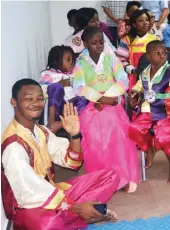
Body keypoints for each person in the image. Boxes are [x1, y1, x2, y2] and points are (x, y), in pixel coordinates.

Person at [1, 79, 119, 229]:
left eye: (40, 99)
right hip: (27, 207)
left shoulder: (40, 131)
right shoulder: (13, 145)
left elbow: (72, 162)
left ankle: (76, 216)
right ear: (14, 102)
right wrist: (75, 207)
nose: (36, 103)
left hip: (53, 194)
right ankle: (81, 215)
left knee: (110, 176)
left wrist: (74, 135)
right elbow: (29, 191)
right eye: (28, 99)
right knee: (48, 224)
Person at [73, 26, 139, 192]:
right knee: (94, 136)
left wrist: (108, 98)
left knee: (116, 131)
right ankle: (101, 180)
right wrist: (99, 98)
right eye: (94, 43)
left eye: (101, 42)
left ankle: (121, 179)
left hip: (113, 101)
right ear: (85, 43)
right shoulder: (80, 62)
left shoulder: (111, 58)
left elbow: (123, 81)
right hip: (91, 103)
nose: (98, 46)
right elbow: (79, 87)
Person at [128, 40, 170, 184]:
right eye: (157, 54)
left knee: (164, 138)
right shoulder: (145, 72)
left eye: (164, 53)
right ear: (148, 56)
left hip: (165, 111)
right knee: (133, 128)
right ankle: (148, 149)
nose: (162, 56)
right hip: (148, 110)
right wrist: (134, 94)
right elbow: (139, 86)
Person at [39, 45, 88, 134]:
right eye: (68, 60)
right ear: (56, 61)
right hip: (56, 108)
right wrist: (61, 83)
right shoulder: (48, 74)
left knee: (84, 99)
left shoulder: (73, 74)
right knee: (56, 87)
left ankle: (64, 123)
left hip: (70, 108)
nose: (72, 63)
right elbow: (41, 91)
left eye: (73, 60)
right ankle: (51, 122)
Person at [117, 10, 159, 89]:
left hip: (152, 77)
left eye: (147, 20)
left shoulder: (155, 39)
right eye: (140, 20)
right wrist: (133, 70)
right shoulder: (126, 40)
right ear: (134, 24)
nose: (145, 22)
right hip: (133, 77)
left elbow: (160, 59)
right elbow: (120, 60)